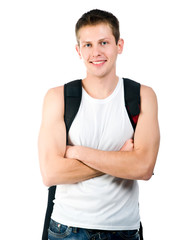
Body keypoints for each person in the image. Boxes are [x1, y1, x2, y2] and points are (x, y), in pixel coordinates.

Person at [38, 9, 160, 240]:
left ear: (119, 45)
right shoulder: (58, 98)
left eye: (104, 42)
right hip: (67, 229)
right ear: (78, 50)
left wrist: (78, 153)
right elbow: (51, 173)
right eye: (88, 45)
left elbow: (143, 168)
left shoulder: (142, 95)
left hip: (123, 230)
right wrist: (121, 158)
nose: (96, 52)